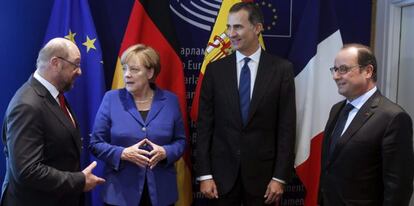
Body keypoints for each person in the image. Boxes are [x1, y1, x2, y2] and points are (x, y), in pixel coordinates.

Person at [195, 2, 296, 205]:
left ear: (257, 28)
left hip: (264, 180)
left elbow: (286, 127)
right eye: (229, 27)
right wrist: (205, 175)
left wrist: (279, 177)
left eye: (238, 27)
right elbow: (205, 126)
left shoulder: (281, 69)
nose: (231, 33)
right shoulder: (215, 71)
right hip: (221, 179)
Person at [0, 37, 105, 206]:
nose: (80, 72)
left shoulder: (54, 95)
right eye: (76, 64)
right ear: (55, 62)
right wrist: (79, 180)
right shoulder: (27, 105)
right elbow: (27, 171)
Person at [89, 44, 186, 206]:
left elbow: (181, 141)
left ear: (150, 72)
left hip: (161, 193)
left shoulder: (170, 101)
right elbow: (95, 143)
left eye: (134, 70)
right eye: (124, 68)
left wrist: (165, 152)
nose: (127, 75)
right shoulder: (111, 99)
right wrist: (122, 153)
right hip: (120, 193)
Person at [319, 43, 414, 206]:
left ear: (368, 71)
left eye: (343, 69)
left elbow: (399, 187)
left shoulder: (393, 117)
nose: (335, 76)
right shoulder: (337, 110)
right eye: (334, 70)